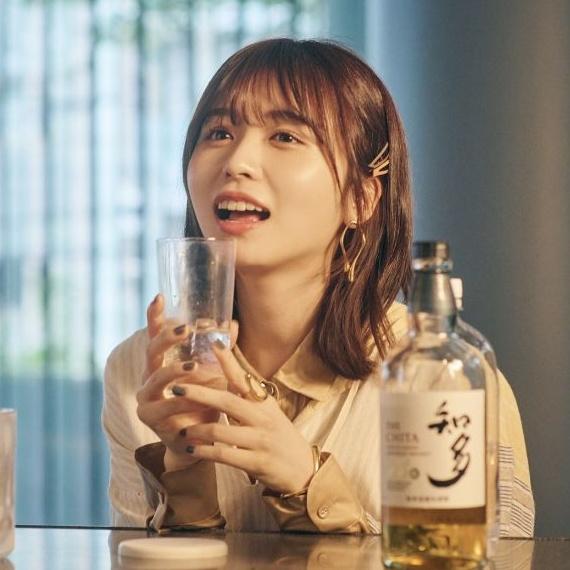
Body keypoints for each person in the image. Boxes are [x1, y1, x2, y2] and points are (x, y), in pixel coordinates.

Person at [102, 38, 534, 536]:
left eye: (285, 136)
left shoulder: (442, 375)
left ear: (360, 198)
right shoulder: (141, 371)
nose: (237, 160)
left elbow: (493, 558)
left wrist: (307, 484)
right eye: (219, 132)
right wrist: (185, 470)